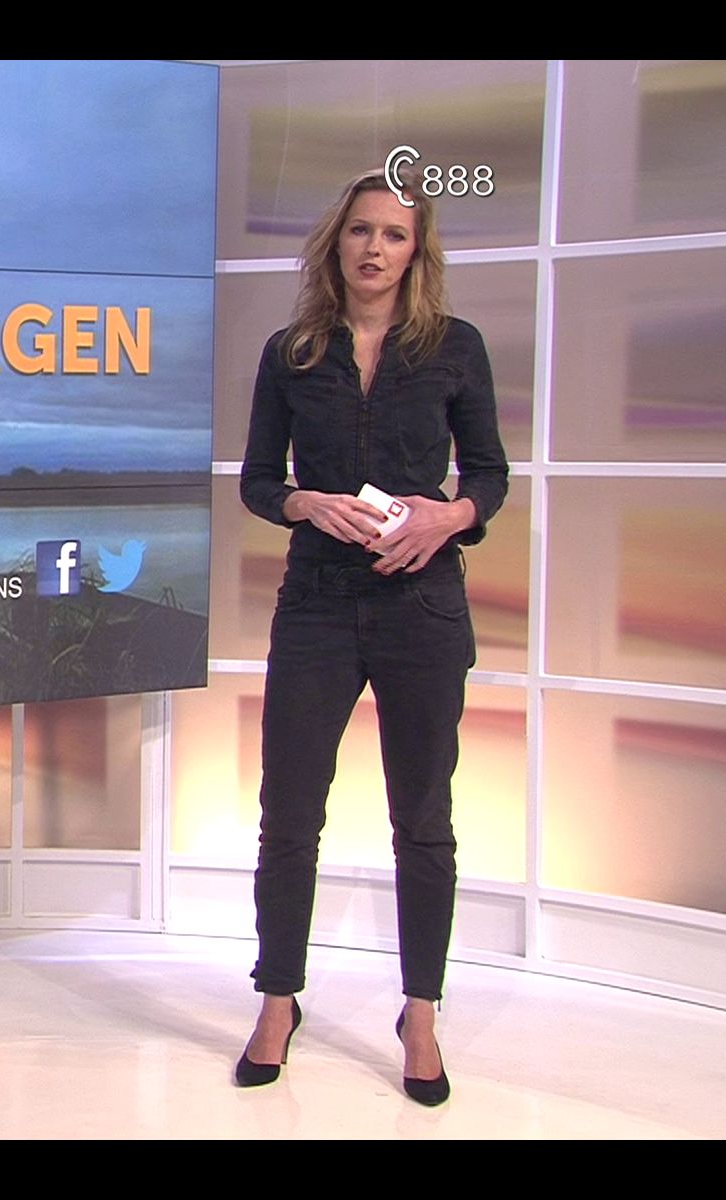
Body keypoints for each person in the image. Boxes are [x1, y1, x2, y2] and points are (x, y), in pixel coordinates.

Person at [232, 169, 510, 1106]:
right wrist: (303, 503)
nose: (374, 248)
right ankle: (278, 1000)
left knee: (422, 818)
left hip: (420, 606)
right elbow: (258, 480)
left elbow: (491, 475)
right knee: (289, 813)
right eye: (361, 231)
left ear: (415, 251)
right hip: (316, 601)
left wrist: (452, 516)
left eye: (394, 234)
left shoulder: (454, 347)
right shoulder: (292, 352)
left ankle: (420, 1012)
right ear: (336, 243)